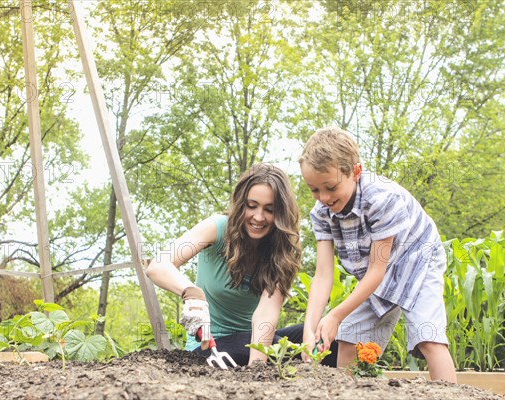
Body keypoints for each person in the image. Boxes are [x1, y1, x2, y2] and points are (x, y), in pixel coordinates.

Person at [298, 127, 457, 382]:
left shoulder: (380, 199)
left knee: (428, 337)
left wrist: (335, 315)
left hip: (418, 259)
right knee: (349, 337)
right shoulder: (321, 213)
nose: (323, 197)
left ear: (356, 172)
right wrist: (309, 329)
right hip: (378, 272)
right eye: (314, 190)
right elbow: (322, 275)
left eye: (330, 187)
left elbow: (376, 272)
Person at [145, 163, 337, 366]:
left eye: (269, 210)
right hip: (210, 347)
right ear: (240, 204)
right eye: (251, 206)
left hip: (253, 341)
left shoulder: (282, 250)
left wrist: (256, 368)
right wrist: (190, 292)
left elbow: (266, 316)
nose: (258, 217)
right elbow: (158, 265)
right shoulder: (217, 228)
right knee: (274, 348)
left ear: (280, 214)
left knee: (325, 336)